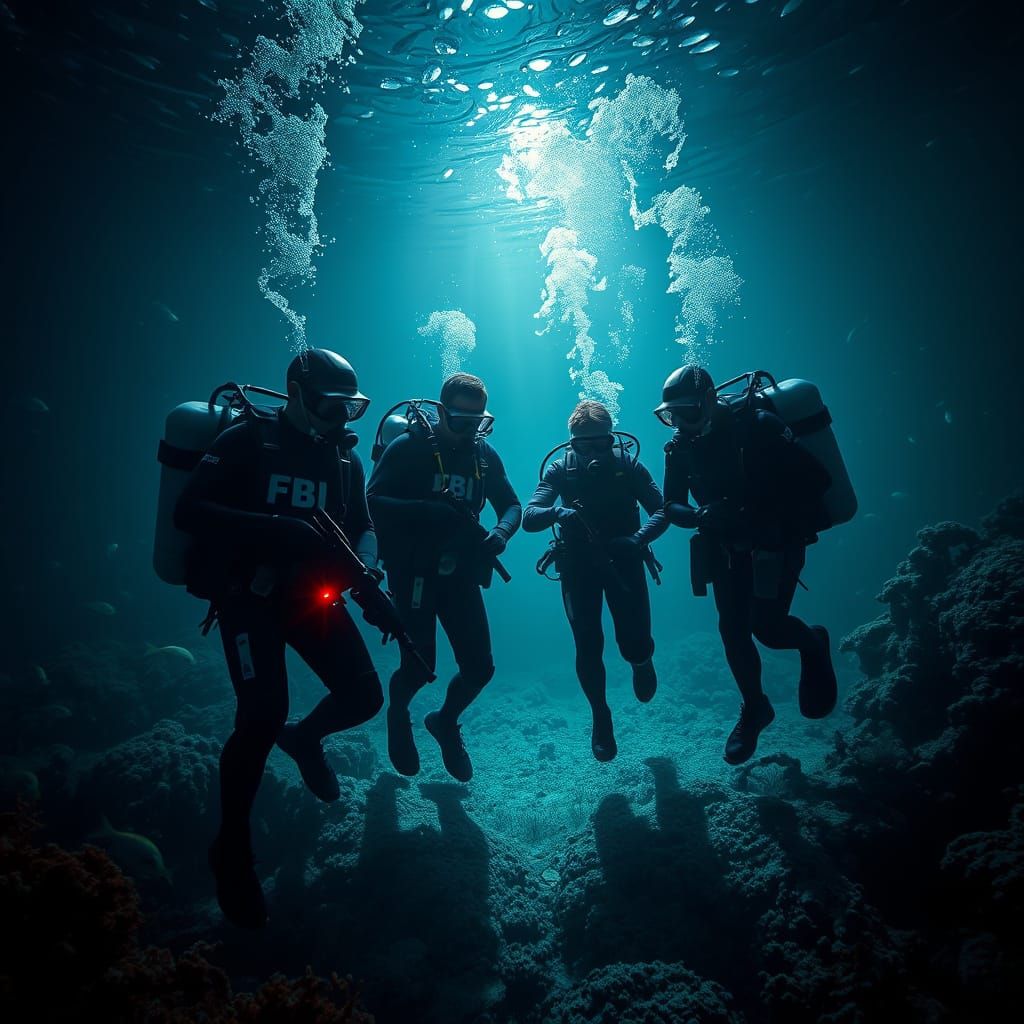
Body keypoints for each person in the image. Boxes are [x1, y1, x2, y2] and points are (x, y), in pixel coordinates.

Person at [175, 349, 387, 929]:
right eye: (329, 404)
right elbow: (191, 510)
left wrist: (367, 574)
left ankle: (306, 740)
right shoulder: (248, 441)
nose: (341, 419)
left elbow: (362, 525)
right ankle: (232, 848)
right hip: (251, 597)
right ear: (295, 393)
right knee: (262, 713)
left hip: (310, 596)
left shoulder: (343, 464)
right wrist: (282, 530)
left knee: (366, 696)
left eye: (351, 407)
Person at [656, 364, 838, 766]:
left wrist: (756, 513)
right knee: (732, 630)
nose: (680, 423)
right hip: (727, 547)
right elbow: (670, 504)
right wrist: (703, 516)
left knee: (768, 628)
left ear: (707, 401)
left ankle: (813, 642)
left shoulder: (758, 426)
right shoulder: (680, 447)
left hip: (776, 540)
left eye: (686, 412)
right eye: (671, 415)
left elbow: (818, 479)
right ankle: (756, 707)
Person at [367, 372, 521, 783]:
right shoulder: (408, 448)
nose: (470, 430)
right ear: (440, 412)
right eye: (460, 420)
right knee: (419, 667)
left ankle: (445, 721)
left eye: (479, 422)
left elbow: (511, 505)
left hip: (460, 574)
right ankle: (398, 714)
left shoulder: (484, 457)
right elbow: (372, 500)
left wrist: (501, 533)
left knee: (480, 667)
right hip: (413, 573)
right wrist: (426, 510)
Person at [522, 400, 668, 761]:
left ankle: (641, 660)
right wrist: (558, 510)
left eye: (599, 443)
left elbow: (662, 509)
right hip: (578, 568)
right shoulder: (561, 470)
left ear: (612, 439)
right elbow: (530, 514)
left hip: (625, 562)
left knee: (633, 640)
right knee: (588, 644)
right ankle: (601, 716)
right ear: (571, 443)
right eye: (582, 445)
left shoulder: (628, 466)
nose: (591, 452)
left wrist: (638, 539)